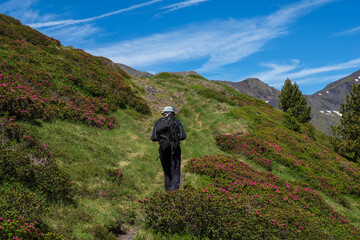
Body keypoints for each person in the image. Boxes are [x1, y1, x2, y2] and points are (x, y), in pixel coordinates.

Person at [151, 106, 187, 191]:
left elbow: (153, 137)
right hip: (175, 150)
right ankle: (174, 193)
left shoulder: (159, 122)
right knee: (176, 171)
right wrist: (174, 139)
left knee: (167, 173)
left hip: (163, 150)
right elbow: (183, 136)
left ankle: (168, 193)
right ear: (172, 113)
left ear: (164, 113)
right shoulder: (177, 122)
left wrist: (163, 140)